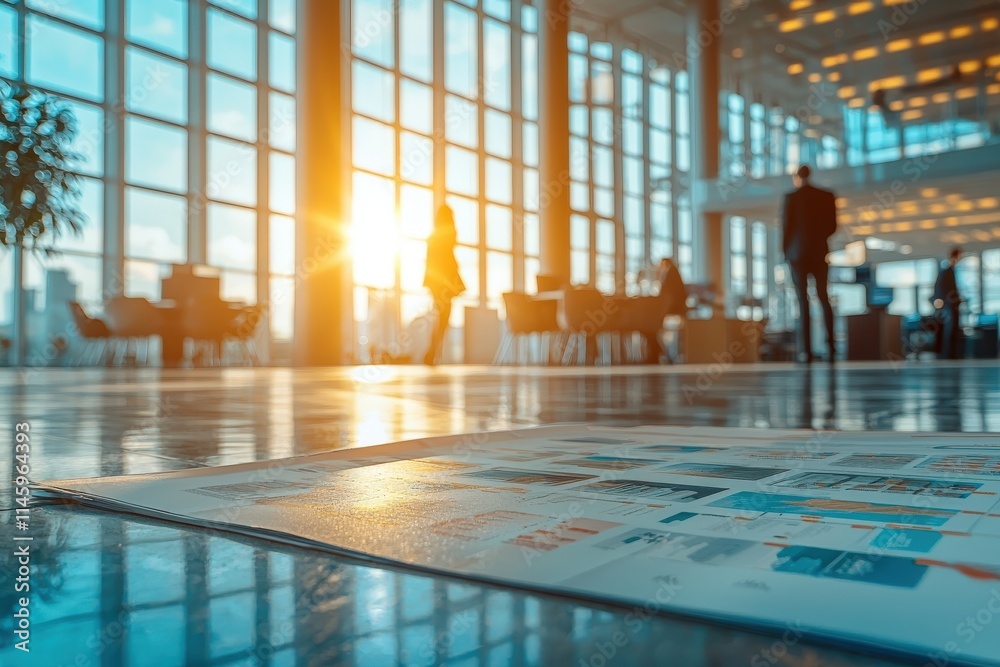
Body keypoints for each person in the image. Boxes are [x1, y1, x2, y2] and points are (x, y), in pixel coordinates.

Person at [781, 164, 837, 363]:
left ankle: (805, 351)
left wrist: (786, 253)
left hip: (797, 255)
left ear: (797, 176)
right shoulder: (826, 196)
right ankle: (831, 347)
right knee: (823, 297)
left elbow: (787, 228)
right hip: (819, 252)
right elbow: (833, 226)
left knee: (802, 301)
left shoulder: (791, 198)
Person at [422, 204, 465, 365]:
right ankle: (433, 353)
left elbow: (430, 263)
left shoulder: (434, 237)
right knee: (443, 317)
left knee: (442, 318)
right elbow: (442, 262)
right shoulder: (444, 236)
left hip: (439, 283)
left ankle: (433, 353)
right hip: (444, 283)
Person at [932, 246, 963, 360]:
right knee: (949, 329)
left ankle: (952, 353)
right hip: (949, 306)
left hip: (953, 305)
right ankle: (948, 354)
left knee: (953, 329)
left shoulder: (952, 271)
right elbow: (940, 289)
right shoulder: (946, 271)